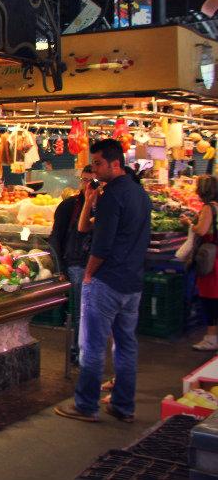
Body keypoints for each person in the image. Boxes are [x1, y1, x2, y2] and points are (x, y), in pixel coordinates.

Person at [55, 139, 150, 424]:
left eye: (98, 164)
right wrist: (89, 199)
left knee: (92, 347)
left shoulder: (113, 197)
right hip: (133, 282)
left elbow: (102, 245)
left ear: (115, 163)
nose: (94, 169)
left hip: (106, 281)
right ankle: (123, 406)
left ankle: (86, 406)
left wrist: (88, 274)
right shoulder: (139, 195)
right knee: (125, 345)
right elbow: (84, 227)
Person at [49, 165, 94, 364]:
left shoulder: (106, 205)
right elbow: (56, 237)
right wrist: (60, 269)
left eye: (93, 181)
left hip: (100, 266)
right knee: (79, 313)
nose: (88, 185)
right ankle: (77, 352)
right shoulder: (69, 206)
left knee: (92, 314)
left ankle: (88, 351)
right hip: (77, 265)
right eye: (85, 180)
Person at [185, 175, 218, 351]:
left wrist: (191, 224)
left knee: (209, 298)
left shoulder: (208, 208)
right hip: (216, 256)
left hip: (211, 260)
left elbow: (202, 229)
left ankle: (211, 337)